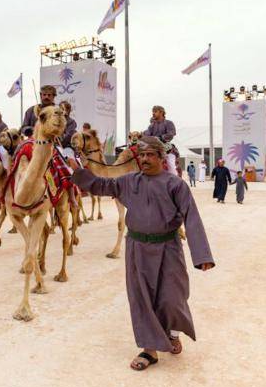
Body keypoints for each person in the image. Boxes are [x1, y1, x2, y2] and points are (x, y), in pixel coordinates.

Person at [68, 136, 214, 371]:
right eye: (142, 155)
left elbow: (192, 217)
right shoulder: (128, 181)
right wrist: (80, 173)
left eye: (150, 155)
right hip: (137, 249)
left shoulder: (175, 185)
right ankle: (150, 349)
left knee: (172, 298)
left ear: (160, 158)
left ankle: (173, 333)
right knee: (142, 299)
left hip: (168, 248)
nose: (145, 159)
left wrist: (202, 255)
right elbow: (101, 186)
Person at [142, 105, 179, 173]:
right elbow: (147, 134)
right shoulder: (152, 125)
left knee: (172, 168)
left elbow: (171, 134)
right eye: (153, 112)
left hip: (167, 149)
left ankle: (175, 181)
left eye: (155, 111)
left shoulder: (168, 123)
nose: (153, 113)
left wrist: (161, 137)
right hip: (154, 148)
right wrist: (139, 135)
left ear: (161, 112)